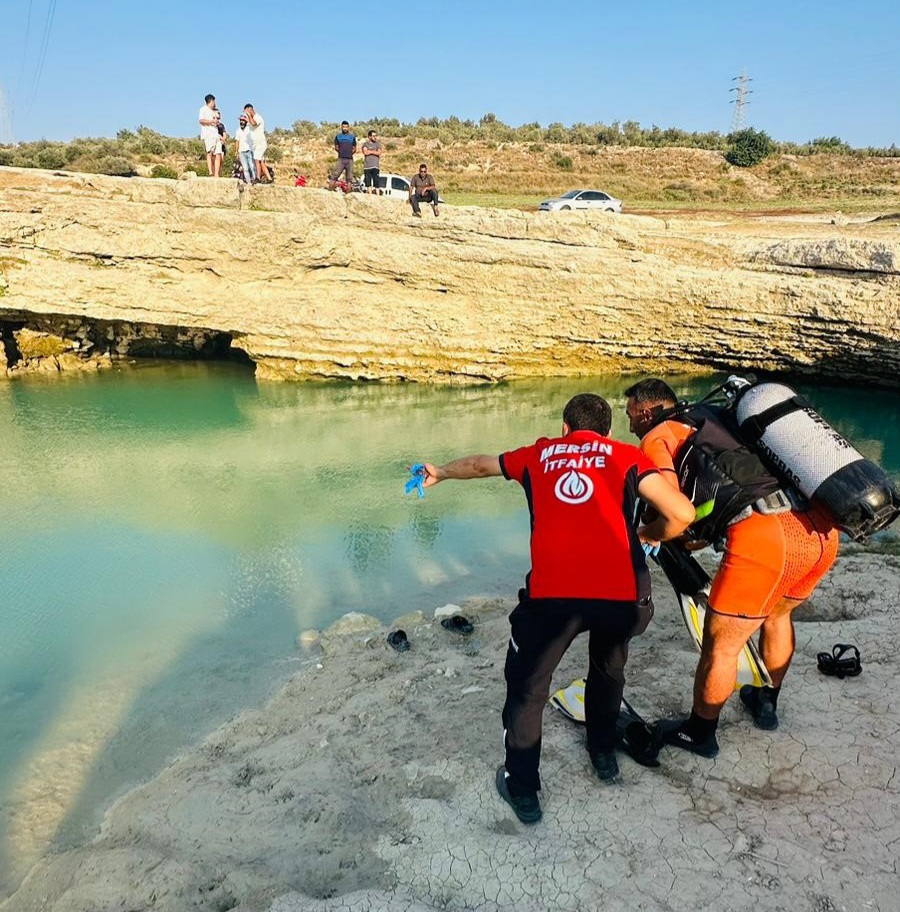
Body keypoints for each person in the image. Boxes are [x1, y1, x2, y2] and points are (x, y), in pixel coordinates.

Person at [419, 393, 695, 824]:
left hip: (552, 598)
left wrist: (441, 472)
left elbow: (479, 466)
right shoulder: (624, 455)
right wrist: (650, 531)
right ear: (606, 431)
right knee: (608, 672)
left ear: (565, 428)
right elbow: (682, 511)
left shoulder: (540, 453)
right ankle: (603, 756)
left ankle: (523, 791)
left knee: (528, 691)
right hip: (617, 596)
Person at [623, 379, 840, 757]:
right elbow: (731, 487)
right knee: (776, 616)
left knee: (721, 646)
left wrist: (648, 533)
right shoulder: (720, 417)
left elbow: (678, 511)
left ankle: (699, 733)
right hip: (821, 529)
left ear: (646, 412)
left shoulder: (656, 436)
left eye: (630, 417)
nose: (630, 426)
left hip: (765, 539)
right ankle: (765, 703)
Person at [243, 104, 271, 183]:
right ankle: (269, 178)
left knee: (256, 160)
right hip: (256, 144)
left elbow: (254, 123)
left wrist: (249, 115)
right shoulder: (251, 118)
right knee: (261, 162)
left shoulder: (258, 117)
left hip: (260, 143)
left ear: (250, 109)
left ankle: (258, 177)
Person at [198, 94, 224, 178]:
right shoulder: (203, 109)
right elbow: (201, 120)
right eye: (214, 101)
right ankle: (210, 172)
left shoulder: (213, 111)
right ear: (211, 101)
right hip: (208, 134)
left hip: (216, 134)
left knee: (218, 153)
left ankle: (216, 174)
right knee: (209, 152)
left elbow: (217, 120)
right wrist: (211, 122)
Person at [329, 121, 357, 191]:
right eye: (343, 127)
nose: (345, 128)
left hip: (350, 159)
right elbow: (336, 147)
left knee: (349, 178)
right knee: (335, 175)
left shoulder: (352, 137)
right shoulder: (338, 136)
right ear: (341, 127)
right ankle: (330, 192)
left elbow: (354, 148)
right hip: (341, 159)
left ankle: (348, 194)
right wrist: (341, 152)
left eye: (346, 127)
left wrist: (349, 153)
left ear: (348, 127)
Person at [234, 114, 255, 184]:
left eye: (243, 120)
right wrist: (236, 151)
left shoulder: (249, 128)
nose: (241, 122)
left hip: (249, 150)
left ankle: (255, 181)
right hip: (241, 152)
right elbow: (237, 141)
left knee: (252, 167)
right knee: (245, 169)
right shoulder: (238, 131)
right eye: (240, 121)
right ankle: (249, 183)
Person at [361, 129, 382, 194]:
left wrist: (370, 151)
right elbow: (365, 152)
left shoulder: (377, 144)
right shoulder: (365, 144)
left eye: (376, 136)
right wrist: (374, 151)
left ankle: (378, 195)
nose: (375, 137)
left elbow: (379, 152)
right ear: (369, 137)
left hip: (375, 166)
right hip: (367, 167)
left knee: (376, 181)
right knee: (368, 182)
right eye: (373, 136)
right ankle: (370, 195)